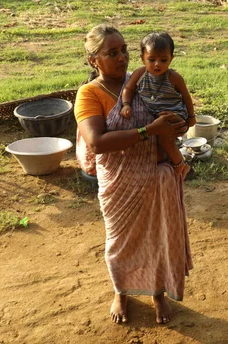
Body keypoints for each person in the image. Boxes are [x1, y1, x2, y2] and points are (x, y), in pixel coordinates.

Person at [74, 24, 193, 325]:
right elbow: (97, 142)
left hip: (155, 176)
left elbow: (171, 106)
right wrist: (148, 131)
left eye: (124, 50)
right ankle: (121, 291)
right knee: (120, 243)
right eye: (112, 53)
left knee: (156, 239)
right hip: (119, 184)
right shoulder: (89, 94)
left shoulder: (144, 81)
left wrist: (177, 123)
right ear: (93, 60)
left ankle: (157, 293)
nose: (122, 57)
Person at [120, 32, 196, 178]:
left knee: (164, 136)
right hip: (152, 115)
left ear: (171, 59)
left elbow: (186, 97)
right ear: (143, 58)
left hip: (174, 114)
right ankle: (165, 160)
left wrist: (191, 117)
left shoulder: (174, 78)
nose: (157, 64)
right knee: (151, 137)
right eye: (152, 59)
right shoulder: (140, 74)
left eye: (163, 60)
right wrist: (126, 104)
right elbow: (128, 89)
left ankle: (180, 165)